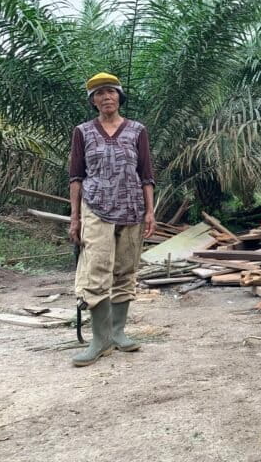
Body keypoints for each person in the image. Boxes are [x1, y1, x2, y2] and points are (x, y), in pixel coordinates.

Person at [68, 72, 156, 367]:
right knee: (96, 271)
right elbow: (76, 177)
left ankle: (118, 333)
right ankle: (100, 340)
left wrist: (150, 211)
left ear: (119, 97)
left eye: (111, 92)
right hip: (96, 208)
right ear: (93, 101)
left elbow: (146, 175)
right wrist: (75, 218)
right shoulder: (82, 132)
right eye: (99, 93)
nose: (106, 97)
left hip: (132, 209)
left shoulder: (137, 131)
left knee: (125, 270)